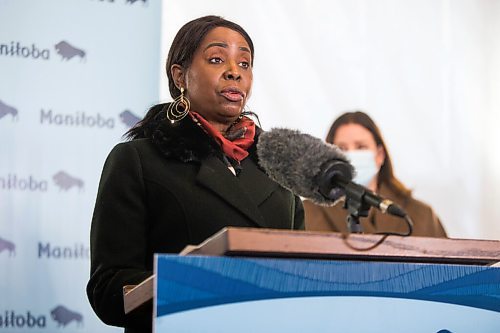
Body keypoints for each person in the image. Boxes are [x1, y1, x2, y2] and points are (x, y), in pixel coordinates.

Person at [86, 15, 304, 333]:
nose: (234, 72)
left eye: (245, 64)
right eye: (217, 59)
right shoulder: (136, 160)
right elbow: (107, 290)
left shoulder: (277, 167)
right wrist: (190, 285)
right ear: (180, 76)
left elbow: (301, 270)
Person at [303, 111, 446, 237]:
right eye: (342, 148)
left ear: (380, 155)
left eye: (361, 147)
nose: (351, 155)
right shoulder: (308, 213)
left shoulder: (420, 215)